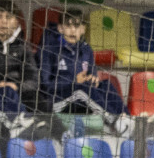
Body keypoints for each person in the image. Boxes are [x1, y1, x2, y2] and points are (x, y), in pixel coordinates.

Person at [39, 8, 135, 137]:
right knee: (80, 89)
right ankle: (115, 122)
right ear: (60, 28)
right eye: (68, 25)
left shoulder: (86, 49)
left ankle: (128, 119)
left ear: (83, 29)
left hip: (82, 99)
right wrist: (73, 82)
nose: (73, 30)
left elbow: (92, 75)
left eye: (77, 26)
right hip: (57, 100)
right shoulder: (49, 49)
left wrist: (93, 79)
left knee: (106, 84)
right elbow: (45, 85)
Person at [0, 0, 48, 143]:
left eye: (8, 17)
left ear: (16, 22)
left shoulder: (23, 47)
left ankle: (56, 141)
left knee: (42, 102)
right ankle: (18, 124)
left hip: (17, 94)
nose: (4, 22)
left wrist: (16, 86)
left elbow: (33, 80)